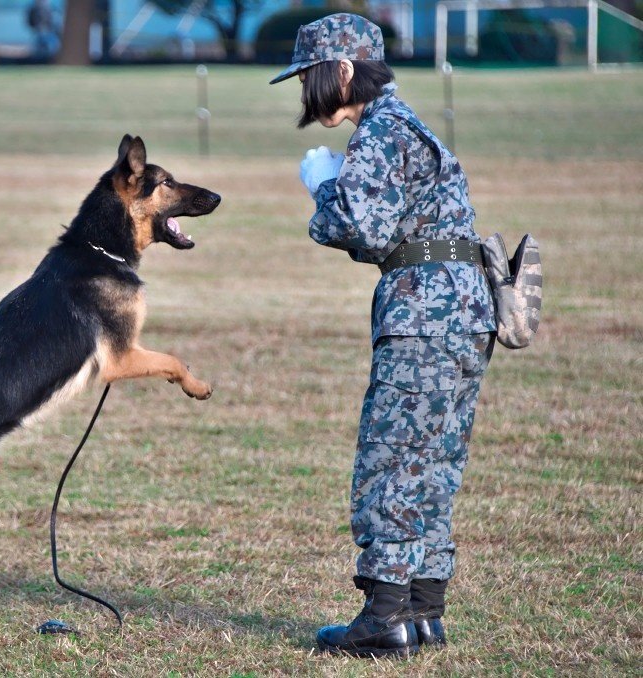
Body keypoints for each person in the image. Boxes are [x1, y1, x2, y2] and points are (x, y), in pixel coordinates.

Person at [269, 14, 496, 659]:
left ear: (342, 70)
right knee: (434, 458)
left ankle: (384, 618)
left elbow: (363, 230)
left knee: (391, 460)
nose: (305, 94)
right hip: (463, 313)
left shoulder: (380, 132)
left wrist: (321, 186)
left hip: (423, 315)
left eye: (309, 76)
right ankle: (424, 610)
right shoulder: (409, 126)